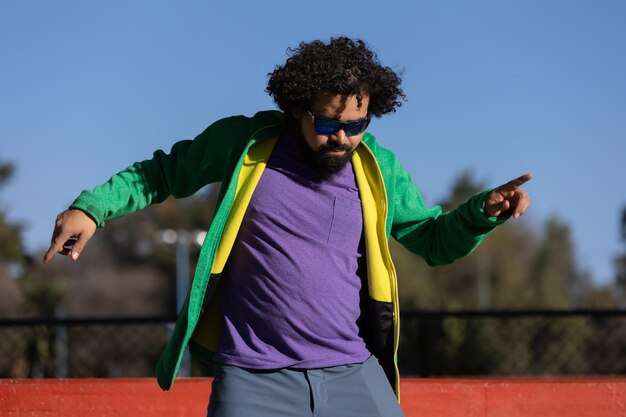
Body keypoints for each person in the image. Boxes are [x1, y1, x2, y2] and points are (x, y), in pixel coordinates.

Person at [44, 37, 531, 417]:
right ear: (297, 107)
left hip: (349, 369)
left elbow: (432, 241)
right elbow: (162, 173)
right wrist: (93, 208)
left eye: (357, 126)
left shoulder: (377, 167)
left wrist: (481, 213)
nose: (342, 137)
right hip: (254, 376)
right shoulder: (245, 143)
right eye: (326, 124)